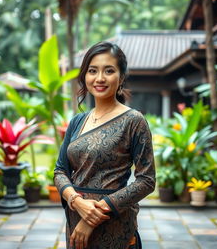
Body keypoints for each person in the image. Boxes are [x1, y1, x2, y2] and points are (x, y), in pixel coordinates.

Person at [54, 41, 155, 249]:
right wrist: (76, 202)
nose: (99, 78)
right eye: (93, 71)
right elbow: (60, 171)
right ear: (85, 76)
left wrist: (95, 214)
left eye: (109, 71)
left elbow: (146, 180)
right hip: (75, 218)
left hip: (113, 223)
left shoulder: (133, 121)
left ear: (121, 77)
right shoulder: (77, 122)